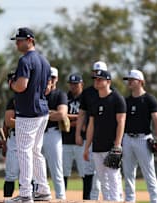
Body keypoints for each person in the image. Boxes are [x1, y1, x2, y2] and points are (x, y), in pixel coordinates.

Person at [5, 27, 52, 203]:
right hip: (42, 111)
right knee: (35, 151)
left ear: (30, 40)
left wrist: (11, 83)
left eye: (20, 40)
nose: (17, 43)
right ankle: (43, 190)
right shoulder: (45, 61)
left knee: (24, 152)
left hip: (28, 113)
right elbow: (47, 89)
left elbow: (21, 86)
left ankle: (25, 193)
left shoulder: (25, 60)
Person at [122, 69, 157, 203]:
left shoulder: (149, 99)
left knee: (149, 173)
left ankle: (154, 200)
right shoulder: (126, 101)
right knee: (128, 173)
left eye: (132, 80)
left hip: (143, 139)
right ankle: (130, 200)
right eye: (128, 80)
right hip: (127, 138)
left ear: (140, 82)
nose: (129, 82)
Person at [83, 69, 126, 201]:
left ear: (108, 81)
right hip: (97, 145)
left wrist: (117, 145)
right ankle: (108, 200)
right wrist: (87, 146)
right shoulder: (95, 100)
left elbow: (121, 122)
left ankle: (115, 200)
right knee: (102, 179)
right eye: (95, 79)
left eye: (100, 79)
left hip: (111, 145)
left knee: (113, 177)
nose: (97, 81)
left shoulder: (117, 99)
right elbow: (91, 125)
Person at [74, 61, 107, 200]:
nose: (97, 75)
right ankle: (87, 199)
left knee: (103, 171)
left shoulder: (111, 93)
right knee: (88, 170)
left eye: (100, 73)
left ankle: (98, 198)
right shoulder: (87, 93)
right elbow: (81, 114)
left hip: (105, 137)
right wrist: (77, 134)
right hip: (89, 136)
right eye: (95, 72)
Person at [42, 67, 67, 200]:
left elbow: (61, 114)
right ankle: (39, 195)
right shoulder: (38, 93)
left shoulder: (60, 94)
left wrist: (42, 114)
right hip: (38, 133)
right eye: (48, 76)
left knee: (56, 168)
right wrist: (51, 113)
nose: (50, 79)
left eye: (52, 77)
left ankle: (60, 198)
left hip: (53, 133)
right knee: (36, 168)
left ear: (56, 79)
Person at [3, 97, 19, 197]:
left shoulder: (35, 98)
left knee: (27, 176)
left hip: (31, 137)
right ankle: (7, 199)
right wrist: (4, 142)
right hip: (15, 137)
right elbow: (7, 122)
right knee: (11, 175)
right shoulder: (14, 100)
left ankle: (27, 198)